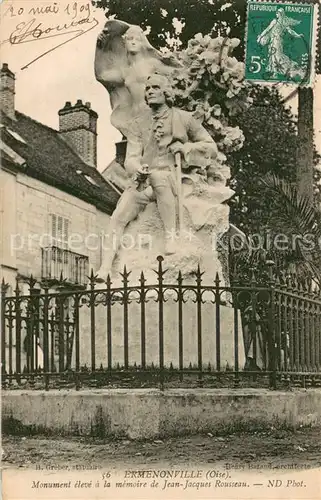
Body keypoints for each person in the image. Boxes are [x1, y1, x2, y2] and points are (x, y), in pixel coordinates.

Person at [96, 73, 218, 279]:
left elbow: (210, 148)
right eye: (147, 89)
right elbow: (131, 157)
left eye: (155, 88)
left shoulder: (184, 119)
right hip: (144, 182)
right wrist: (137, 169)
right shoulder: (139, 124)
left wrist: (186, 147)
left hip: (173, 178)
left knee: (158, 177)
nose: (149, 92)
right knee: (118, 215)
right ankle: (105, 268)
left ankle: (171, 238)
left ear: (166, 92)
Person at [95, 20, 181, 139]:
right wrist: (99, 48)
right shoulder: (125, 72)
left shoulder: (152, 64)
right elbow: (101, 76)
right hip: (135, 119)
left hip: (153, 115)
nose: (133, 42)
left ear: (142, 43)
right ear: (124, 43)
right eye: (130, 39)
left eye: (137, 39)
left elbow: (176, 74)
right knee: (134, 155)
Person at [257, 8, 305, 79]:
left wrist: (297, 35)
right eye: (276, 13)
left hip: (278, 41)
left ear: (281, 14)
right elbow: (267, 29)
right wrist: (260, 37)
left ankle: (282, 70)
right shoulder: (274, 21)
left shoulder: (284, 23)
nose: (276, 14)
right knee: (273, 56)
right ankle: (275, 73)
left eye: (278, 13)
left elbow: (290, 31)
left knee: (278, 55)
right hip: (272, 41)